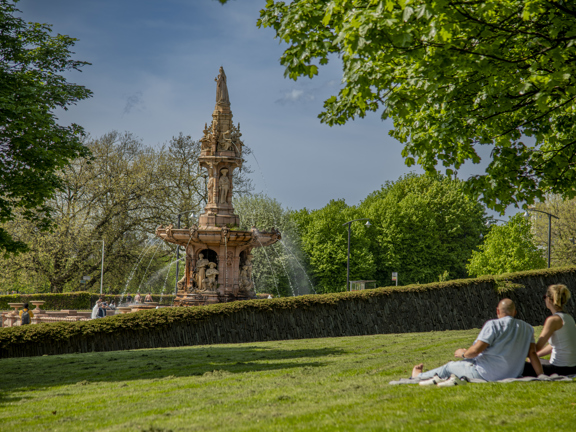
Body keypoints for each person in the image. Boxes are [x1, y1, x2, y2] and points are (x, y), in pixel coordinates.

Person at [412, 299, 542, 385]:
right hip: (513, 374)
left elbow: (475, 351)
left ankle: (419, 376)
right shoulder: (527, 328)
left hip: (485, 374)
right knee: (466, 363)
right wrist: (541, 375)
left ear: (497, 311)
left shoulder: (493, 325)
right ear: (515, 312)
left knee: (449, 366)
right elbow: (532, 354)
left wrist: (463, 353)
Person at [523, 284, 576, 376]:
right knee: (534, 360)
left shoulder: (553, 320)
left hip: (559, 369)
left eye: (544, 297)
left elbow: (537, 347)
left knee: (521, 366)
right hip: (572, 368)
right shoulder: (569, 318)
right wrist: (536, 356)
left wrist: (518, 352)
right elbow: (554, 345)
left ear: (549, 299)